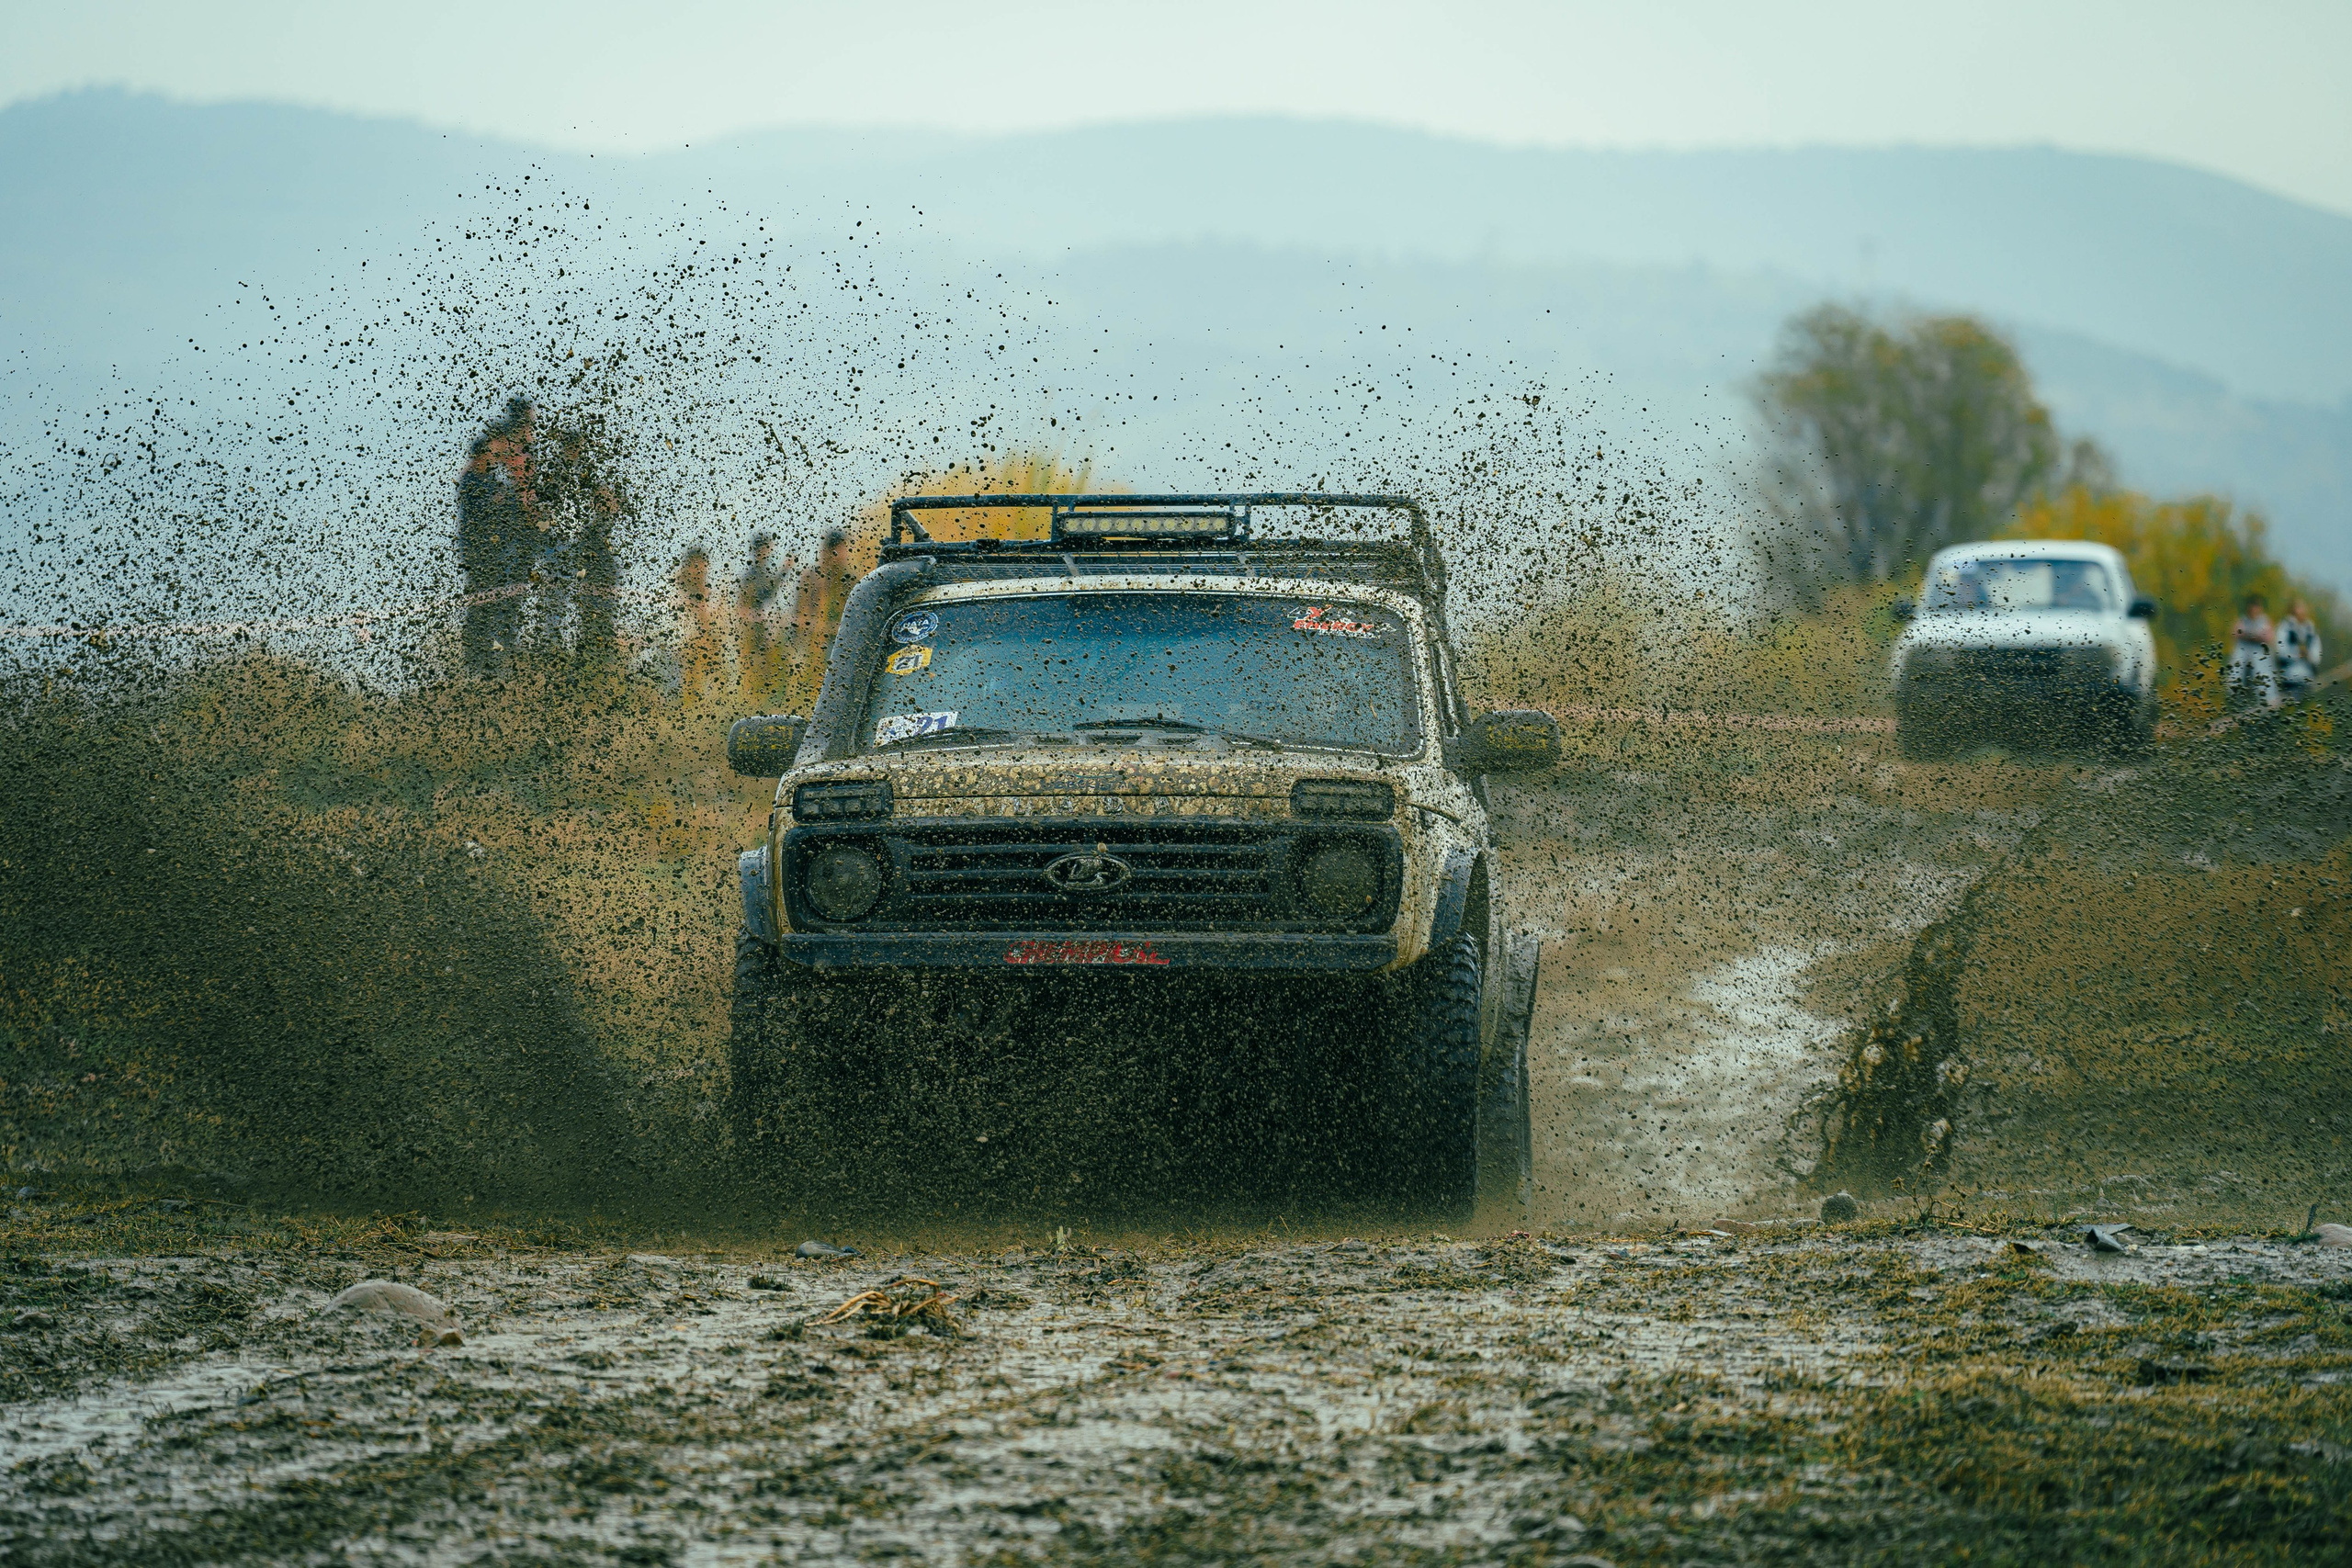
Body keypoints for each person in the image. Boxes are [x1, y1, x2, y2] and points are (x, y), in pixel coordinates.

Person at [2229, 593, 2278, 710]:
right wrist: (2250, 635)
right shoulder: (2243, 620)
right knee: (2237, 659)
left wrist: (2253, 636)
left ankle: (2268, 697)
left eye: (2256, 607)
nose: (2254, 610)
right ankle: (2234, 693)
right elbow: (2234, 632)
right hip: (2245, 651)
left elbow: (2269, 637)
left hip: (2259, 652)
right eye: (2252, 607)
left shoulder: (2265, 620)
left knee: (2261, 664)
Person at [2275, 599, 2323, 704]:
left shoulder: (2311, 629)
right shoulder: (2285, 628)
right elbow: (2280, 651)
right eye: (2298, 608)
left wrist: (2308, 656)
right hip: (2289, 678)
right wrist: (2297, 654)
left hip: (2307, 679)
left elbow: (2317, 655)